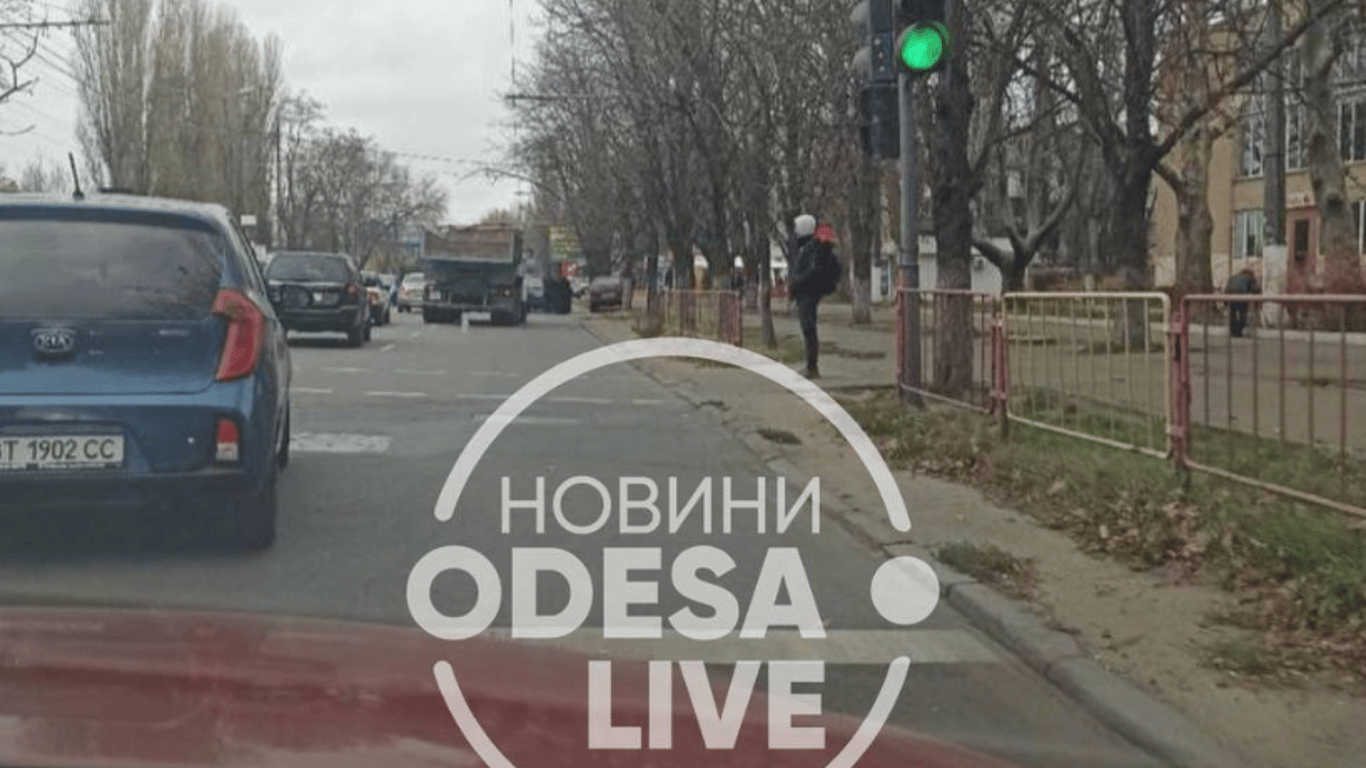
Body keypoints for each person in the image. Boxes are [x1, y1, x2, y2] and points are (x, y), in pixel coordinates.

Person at [789, 214, 830, 379]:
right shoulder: (805, 247)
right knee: (806, 330)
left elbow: (812, 271)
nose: (796, 231)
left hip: (809, 294)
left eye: (798, 227)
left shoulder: (812, 248)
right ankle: (810, 365)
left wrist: (797, 281)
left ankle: (812, 367)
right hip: (804, 294)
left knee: (809, 329)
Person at [1224, 264, 1261, 338]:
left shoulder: (1232, 277)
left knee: (1232, 314)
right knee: (1243, 314)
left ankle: (1233, 331)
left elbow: (1227, 289)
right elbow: (1256, 290)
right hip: (1242, 296)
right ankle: (1239, 330)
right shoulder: (1250, 278)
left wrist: (1225, 302)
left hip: (1230, 296)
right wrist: (1257, 303)